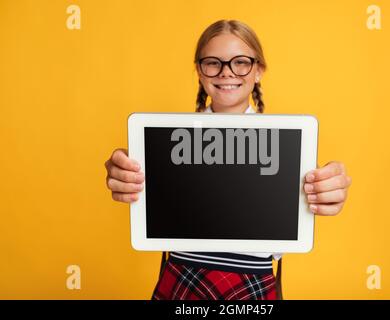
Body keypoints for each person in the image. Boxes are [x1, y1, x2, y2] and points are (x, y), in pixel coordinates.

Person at [104, 20, 352, 300]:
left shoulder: (285, 146)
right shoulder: (167, 141)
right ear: (200, 71)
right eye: (213, 63)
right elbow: (133, 179)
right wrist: (125, 171)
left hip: (252, 280)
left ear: (258, 70)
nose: (226, 73)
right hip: (183, 276)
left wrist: (327, 189)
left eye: (240, 62)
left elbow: (313, 194)